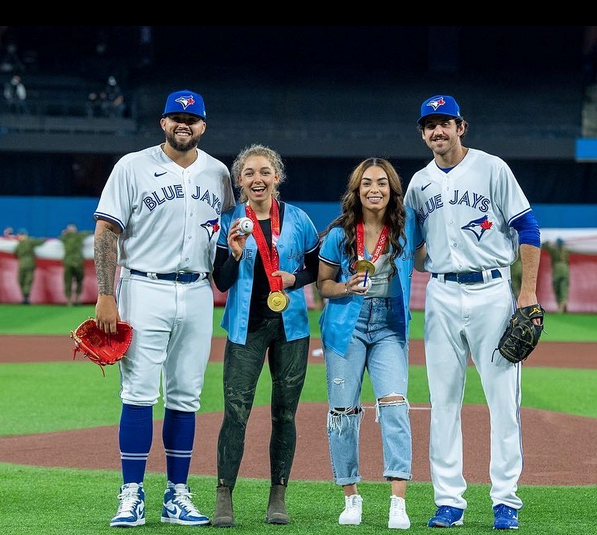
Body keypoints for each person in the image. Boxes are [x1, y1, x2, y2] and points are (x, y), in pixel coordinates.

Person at [92, 89, 234, 528]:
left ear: (203, 126)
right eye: (175, 117)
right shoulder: (131, 166)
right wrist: (106, 293)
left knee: (186, 396)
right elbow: (105, 232)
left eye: (191, 119)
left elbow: (223, 230)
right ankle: (131, 491)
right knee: (138, 392)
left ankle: (177, 494)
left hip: (196, 291)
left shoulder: (219, 173)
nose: (183, 124)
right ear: (163, 123)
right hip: (143, 287)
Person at [404, 94, 542, 531]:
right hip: (441, 295)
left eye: (445, 123)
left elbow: (528, 227)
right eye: (430, 125)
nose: (437, 131)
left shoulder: (492, 167)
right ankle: (449, 501)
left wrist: (528, 295)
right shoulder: (418, 184)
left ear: (461, 127)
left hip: (493, 292)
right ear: (423, 132)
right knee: (443, 402)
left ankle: (505, 501)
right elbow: (413, 249)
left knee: (504, 401)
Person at [211, 144, 319, 528]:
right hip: (245, 329)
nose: (258, 179)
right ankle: (224, 495)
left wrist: (294, 279)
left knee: (284, 414)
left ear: (277, 177)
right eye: (249, 173)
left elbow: (314, 269)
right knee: (235, 414)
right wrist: (235, 254)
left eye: (265, 172)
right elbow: (221, 283)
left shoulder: (299, 219)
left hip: (291, 329)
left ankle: (278, 495)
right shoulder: (230, 222)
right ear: (239, 181)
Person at [316, 158, 425, 529]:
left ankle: (398, 502)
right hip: (347, 324)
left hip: (390, 325)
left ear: (393, 188)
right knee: (343, 413)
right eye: (366, 183)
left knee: (394, 406)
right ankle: (352, 498)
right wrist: (345, 286)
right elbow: (323, 284)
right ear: (357, 190)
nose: (374, 189)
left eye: (381, 182)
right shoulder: (339, 233)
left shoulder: (407, 226)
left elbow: (429, 254)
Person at [59, 223, 92, 306]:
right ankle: (73, 299)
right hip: (75, 262)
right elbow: (89, 233)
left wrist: (64, 233)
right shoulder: (78, 236)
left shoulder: (67, 237)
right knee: (74, 281)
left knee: (72, 281)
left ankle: (72, 299)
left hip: (71, 262)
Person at [13, 228, 46, 304]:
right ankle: (25, 296)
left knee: (27, 281)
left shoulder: (30, 241)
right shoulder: (19, 245)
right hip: (22, 265)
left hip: (29, 265)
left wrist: (45, 240)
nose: (20, 237)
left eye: (22, 235)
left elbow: (39, 242)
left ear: (25, 235)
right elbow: (15, 253)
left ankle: (26, 297)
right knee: (21, 281)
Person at [541, 237, 570, 313]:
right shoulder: (566, 250)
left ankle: (560, 305)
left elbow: (545, 245)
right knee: (564, 288)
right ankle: (563, 302)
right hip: (565, 270)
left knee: (557, 288)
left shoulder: (554, 250)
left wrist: (549, 241)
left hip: (557, 270)